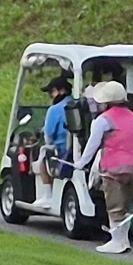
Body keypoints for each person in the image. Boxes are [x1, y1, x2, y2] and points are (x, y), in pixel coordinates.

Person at [83, 77, 133, 253]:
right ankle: (123, 240)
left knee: (114, 206)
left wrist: (81, 163)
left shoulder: (104, 119)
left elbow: (93, 144)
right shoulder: (132, 116)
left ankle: (117, 241)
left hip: (114, 167)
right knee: (125, 206)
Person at [38, 74, 80, 224]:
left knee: (42, 157)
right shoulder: (78, 105)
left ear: (61, 91)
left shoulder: (54, 110)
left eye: (52, 91)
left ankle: (47, 195)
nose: (51, 95)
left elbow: (49, 136)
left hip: (60, 151)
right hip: (77, 150)